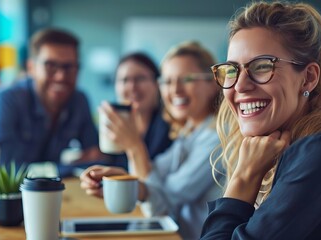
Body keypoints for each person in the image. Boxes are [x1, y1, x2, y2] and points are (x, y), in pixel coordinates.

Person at [200, 2, 321, 239]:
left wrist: (243, 177)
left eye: (262, 66)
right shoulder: (294, 153)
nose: (240, 85)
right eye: (232, 70)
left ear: (308, 78)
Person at [80, 41, 222, 239]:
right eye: (167, 81)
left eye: (187, 79)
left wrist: (134, 146)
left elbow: (164, 205)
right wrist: (122, 181)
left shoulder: (217, 138)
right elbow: (154, 174)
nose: (175, 90)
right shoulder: (189, 131)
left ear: (213, 83)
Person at [0, 28, 104, 169]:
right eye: (50, 66)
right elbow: (3, 170)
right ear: (31, 68)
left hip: (58, 190)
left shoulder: (79, 100)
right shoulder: (5, 99)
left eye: (69, 67)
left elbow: (97, 158)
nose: (61, 76)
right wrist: (65, 167)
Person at [110, 52, 173, 170]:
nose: (132, 86)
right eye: (124, 80)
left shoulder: (172, 128)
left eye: (140, 78)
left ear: (157, 83)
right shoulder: (113, 127)